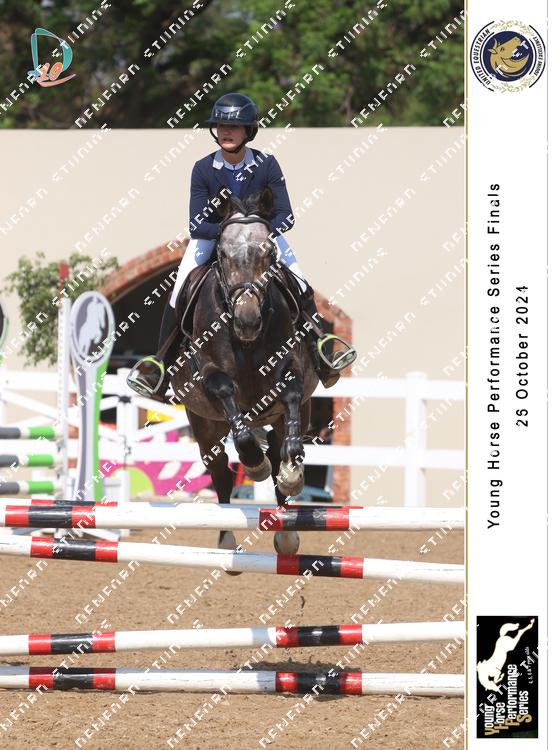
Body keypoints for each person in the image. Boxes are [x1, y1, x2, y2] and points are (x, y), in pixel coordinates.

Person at [127, 92, 356, 401]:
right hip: (213, 238)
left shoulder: (267, 164)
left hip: (262, 238)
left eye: (234, 126)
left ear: (249, 130)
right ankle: (160, 366)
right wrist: (231, 234)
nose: (226, 131)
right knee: (179, 288)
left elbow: (286, 215)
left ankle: (322, 351)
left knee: (300, 282)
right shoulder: (203, 169)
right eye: (221, 126)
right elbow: (196, 224)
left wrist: (258, 233)